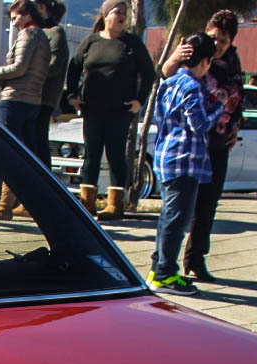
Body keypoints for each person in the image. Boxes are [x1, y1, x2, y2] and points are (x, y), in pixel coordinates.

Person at [161, 8, 244, 283]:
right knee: (180, 209)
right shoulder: (191, 53)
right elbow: (167, 75)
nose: (218, 45)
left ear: (231, 41)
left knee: (208, 205)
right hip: (191, 143)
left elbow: (238, 99)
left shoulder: (233, 64)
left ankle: (196, 258)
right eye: (214, 38)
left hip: (217, 141)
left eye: (223, 40)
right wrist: (174, 56)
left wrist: (235, 127)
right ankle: (164, 265)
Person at [65, 0, 156, 221]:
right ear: (106, 16)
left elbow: (149, 74)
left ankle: (116, 204)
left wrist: (139, 102)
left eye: (125, 13)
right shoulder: (90, 42)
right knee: (92, 154)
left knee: (116, 154)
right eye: (118, 12)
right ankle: (88, 203)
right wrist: (73, 97)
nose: (123, 16)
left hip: (120, 111)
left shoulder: (132, 43)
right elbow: (74, 68)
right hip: (92, 109)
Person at [149, 32, 224, 294]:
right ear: (205, 61)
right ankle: (165, 274)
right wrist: (220, 108)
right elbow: (199, 124)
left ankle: (158, 267)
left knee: (168, 217)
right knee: (177, 220)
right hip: (185, 159)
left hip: (166, 155)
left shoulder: (170, 82)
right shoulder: (193, 87)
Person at [0, 0, 50, 219]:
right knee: (28, 153)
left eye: (16, 17)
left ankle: (5, 205)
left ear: (27, 15)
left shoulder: (27, 35)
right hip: (34, 100)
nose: (14, 23)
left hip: (15, 98)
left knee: (9, 151)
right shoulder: (44, 36)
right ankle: (28, 202)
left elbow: (19, 67)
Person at [35, 0, 70, 174]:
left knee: (39, 143)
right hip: (34, 96)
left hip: (44, 98)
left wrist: (29, 73)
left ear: (42, 7)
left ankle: (43, 184)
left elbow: (54, 66)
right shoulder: (40, 31)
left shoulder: (55, 32)